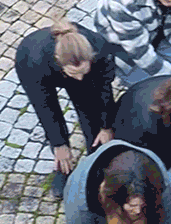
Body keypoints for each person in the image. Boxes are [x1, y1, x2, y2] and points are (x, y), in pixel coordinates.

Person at [15, 16, 119, 199]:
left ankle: (97, 159)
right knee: (58, 137)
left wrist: (106, 126)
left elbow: (104, 91)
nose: (79, 78)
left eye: (82, 72)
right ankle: (63, 168)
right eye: (74, 74)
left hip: (80, 69)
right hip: (34, 66)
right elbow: (45, 106)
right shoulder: (35, 59)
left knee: (90, 109)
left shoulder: (100, 48)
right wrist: (59, 143)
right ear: (58, 61)